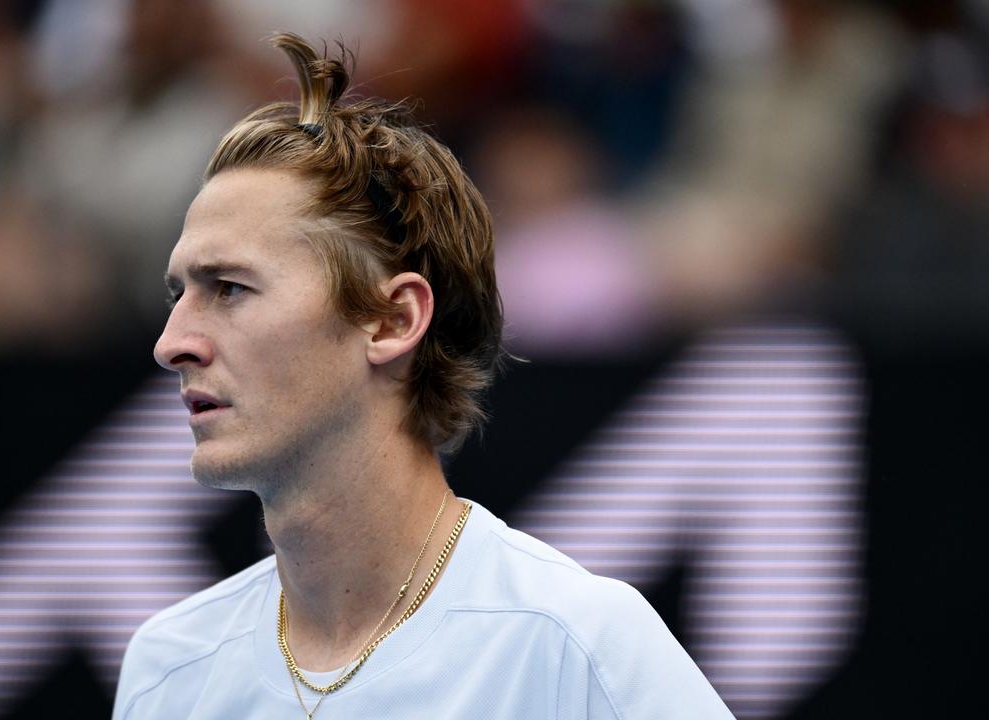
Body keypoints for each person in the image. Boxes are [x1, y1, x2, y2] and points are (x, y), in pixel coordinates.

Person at [112, 32, 734, 720]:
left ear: (391, 320)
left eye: (228, 287)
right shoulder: (165, 672)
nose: (173, 344)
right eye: (179, 295)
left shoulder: (577, 645)